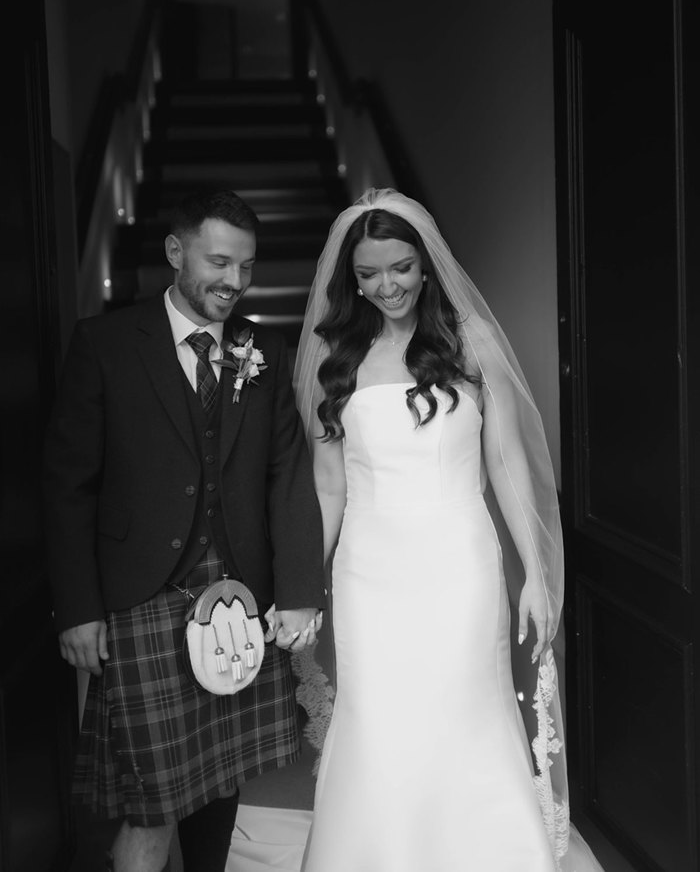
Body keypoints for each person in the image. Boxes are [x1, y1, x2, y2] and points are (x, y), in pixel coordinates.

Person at [293, 188, 605, 872]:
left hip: (461, 567)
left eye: (400, 268)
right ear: (351, 278)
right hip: (367, 574)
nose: (386, 285)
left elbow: (508, 464)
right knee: (377, 725)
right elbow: (327, 484)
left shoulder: (471, 343)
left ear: (426, 264)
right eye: (369, 273)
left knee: (465, 714)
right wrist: (304, 586)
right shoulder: (334, 356)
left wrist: (534, 574)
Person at [42, 188, 326, 872]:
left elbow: (285, 474)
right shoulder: (106, 343)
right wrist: (78, 608)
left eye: (247, 267)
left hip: (237, 599)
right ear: (176, 253)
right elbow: (67, 485)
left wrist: (298, 590)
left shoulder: (266, 349)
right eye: (220, 262)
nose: (235, 282)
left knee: (221, 779)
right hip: (142, 598)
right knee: (152, 800)